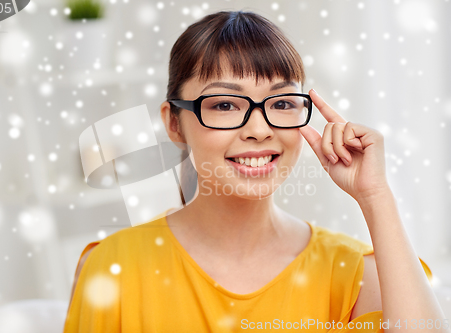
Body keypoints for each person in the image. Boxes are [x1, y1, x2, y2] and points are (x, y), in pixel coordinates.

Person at [63, 10, 448, 332]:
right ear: (174, 123)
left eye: (281, 103)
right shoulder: (113, 267)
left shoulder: (355, 272)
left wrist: (376, 197)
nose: (259, 129)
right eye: (226, 105)